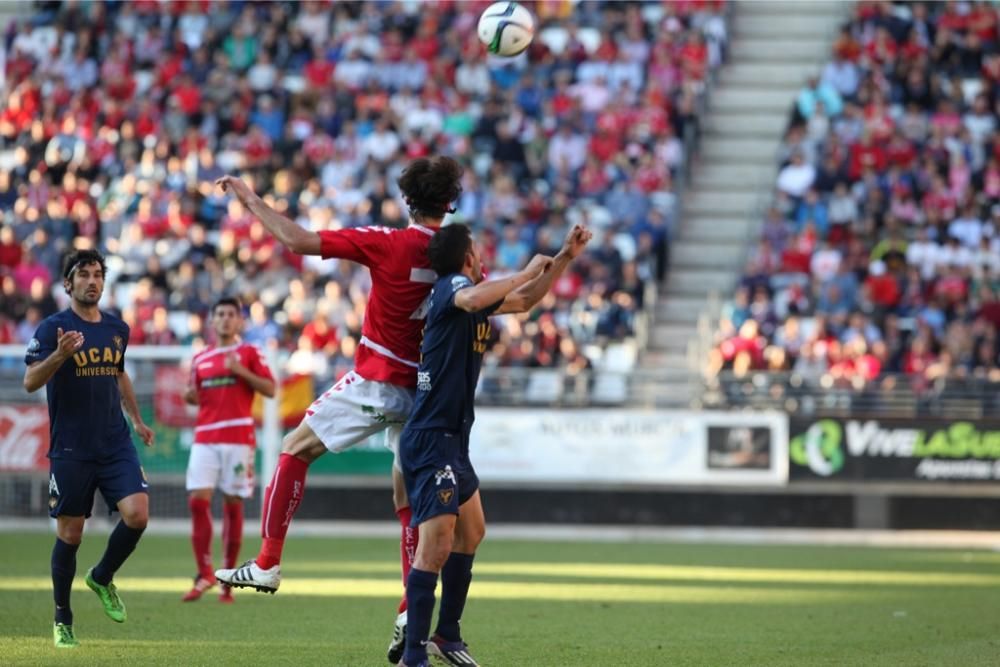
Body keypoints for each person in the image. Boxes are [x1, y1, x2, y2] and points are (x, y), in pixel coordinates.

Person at [211, 156, 460, 662]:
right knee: (406, 498)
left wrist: (249, 199)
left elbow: (299, 241)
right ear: (450, 203)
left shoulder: (387, 241)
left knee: (294, 448)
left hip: (377, 380)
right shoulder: (459, 253)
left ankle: (267, 562)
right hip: (427, 392)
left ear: (407, 200)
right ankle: (410, 606)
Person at [399, 223, 592, 667]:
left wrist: (563, 257)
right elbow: (475, 295)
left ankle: (447, 635)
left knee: (472, 532)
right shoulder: (454, 287)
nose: (483, 258)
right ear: (467, 259)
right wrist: (523, 271)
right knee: (437, 546)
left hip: (451, 441)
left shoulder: (473, 300)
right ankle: (413, 656)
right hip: (431, 441)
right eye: (478, 252)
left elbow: (524, 301)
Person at [22, 249, 156, 649]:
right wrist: (60, 356)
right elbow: (30, 381)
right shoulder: (52, 328)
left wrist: (136, 419)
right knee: (71, 534)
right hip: (71, 449)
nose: (92, 281)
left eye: (98, 274)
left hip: (115, 443)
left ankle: (101, 577)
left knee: (138, 514)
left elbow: (118, 373)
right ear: (68, 283)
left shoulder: (117, 328)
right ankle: (63, 617)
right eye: (83, 274)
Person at [181, 297, 276, 603]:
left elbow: (270, 388)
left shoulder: (249, 352)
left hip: (238, 437)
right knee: (198, 501)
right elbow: (196, 395)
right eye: (219, 314)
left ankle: (226, 577)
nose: (224, 319)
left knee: (232, 503)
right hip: (205, 437)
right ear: (212, 321)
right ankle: (204, 572)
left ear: (239, 322)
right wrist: (190, 396)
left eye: (230, 315)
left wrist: (241, 372)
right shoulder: (201, 358)